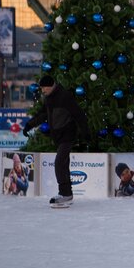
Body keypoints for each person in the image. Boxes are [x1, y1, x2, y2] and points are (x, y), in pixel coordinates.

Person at [23, 75, 89, 208]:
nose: (42, 91)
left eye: (44, 88)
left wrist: (86, 135)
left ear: (51, 85)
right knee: (63, 164)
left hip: (68, 135)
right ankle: (67, 194)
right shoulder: (49, 99)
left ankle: (64, 193)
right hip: (59, 136)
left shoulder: (65, 97)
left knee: (59, 163)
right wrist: (29, 125)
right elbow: (43, 114)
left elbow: (79, 115)